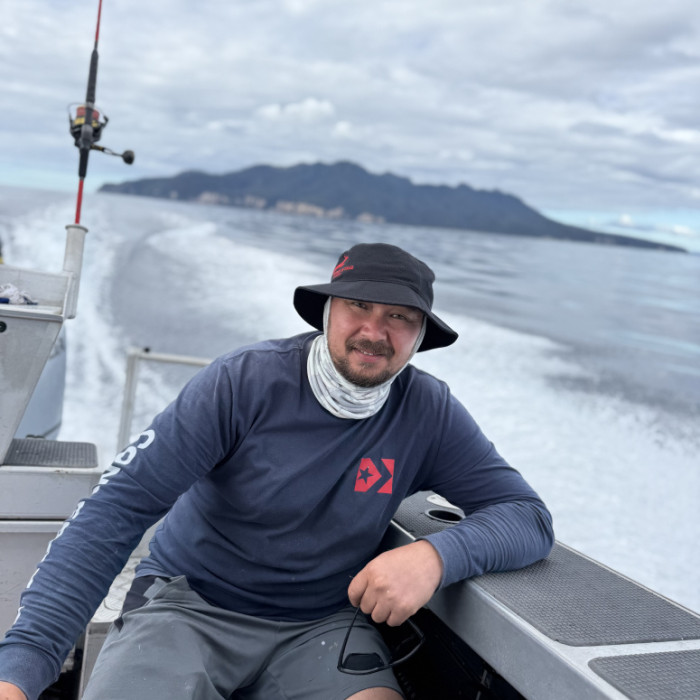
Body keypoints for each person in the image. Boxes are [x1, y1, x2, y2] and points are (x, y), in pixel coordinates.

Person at [0, 242, 554, 700]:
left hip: (322, 623)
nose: (374, 330)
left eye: (399, 317)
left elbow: (527, 516)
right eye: (358, 306)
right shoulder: (241, 384)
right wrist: (23, 665)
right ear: (328, 311)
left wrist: (435, 556)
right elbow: (115, 511)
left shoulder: (428, 411)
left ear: (419, 335)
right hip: (190, 606)